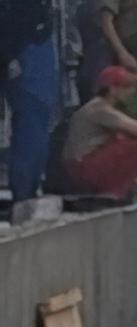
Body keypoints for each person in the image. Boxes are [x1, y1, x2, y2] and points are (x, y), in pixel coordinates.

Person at [62, 65, 137, 198]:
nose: (131, 92)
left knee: (123, 137)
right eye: (126, 87)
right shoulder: (99, 109)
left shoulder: (96, 107)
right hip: (82, 167)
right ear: (112, 89)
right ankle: (115, 192)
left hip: (80, 165)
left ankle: (127, 188)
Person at [2, 0, 59, 203]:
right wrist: (8, 56)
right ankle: (24, 196)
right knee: (31, 129)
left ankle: (27, 193)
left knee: (34, 128)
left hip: (30, 50)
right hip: (25, 52)